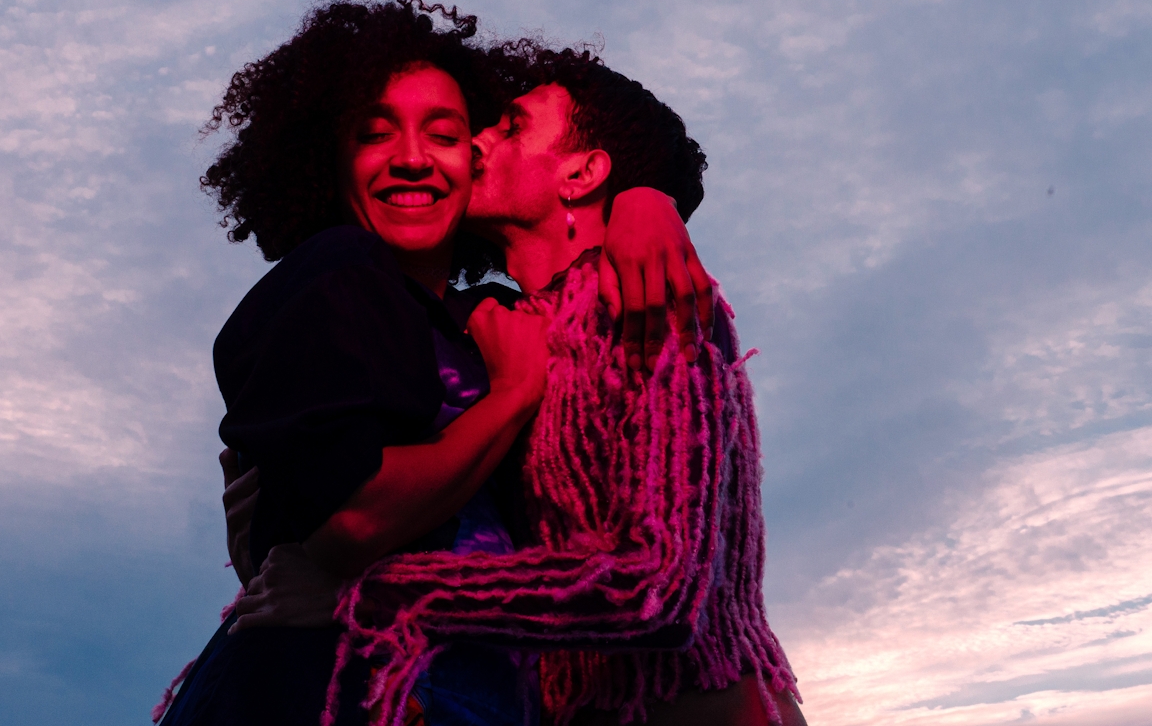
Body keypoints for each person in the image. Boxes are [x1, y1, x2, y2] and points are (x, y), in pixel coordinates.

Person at [156, 0, 713, 726]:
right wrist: (510, 397)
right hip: (331, 691)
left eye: (451, 133)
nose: (417, 157)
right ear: (330, 159)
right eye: (374, 133)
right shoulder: (336, 273)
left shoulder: (501, 318)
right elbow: (349, 523)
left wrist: (648, 196)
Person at [230, 48, 807, 726]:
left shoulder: (653, 297)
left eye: (509, 126)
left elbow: (660, 589)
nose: (476, 141)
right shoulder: (499, 332)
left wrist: (372, 593)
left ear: (584, 172)